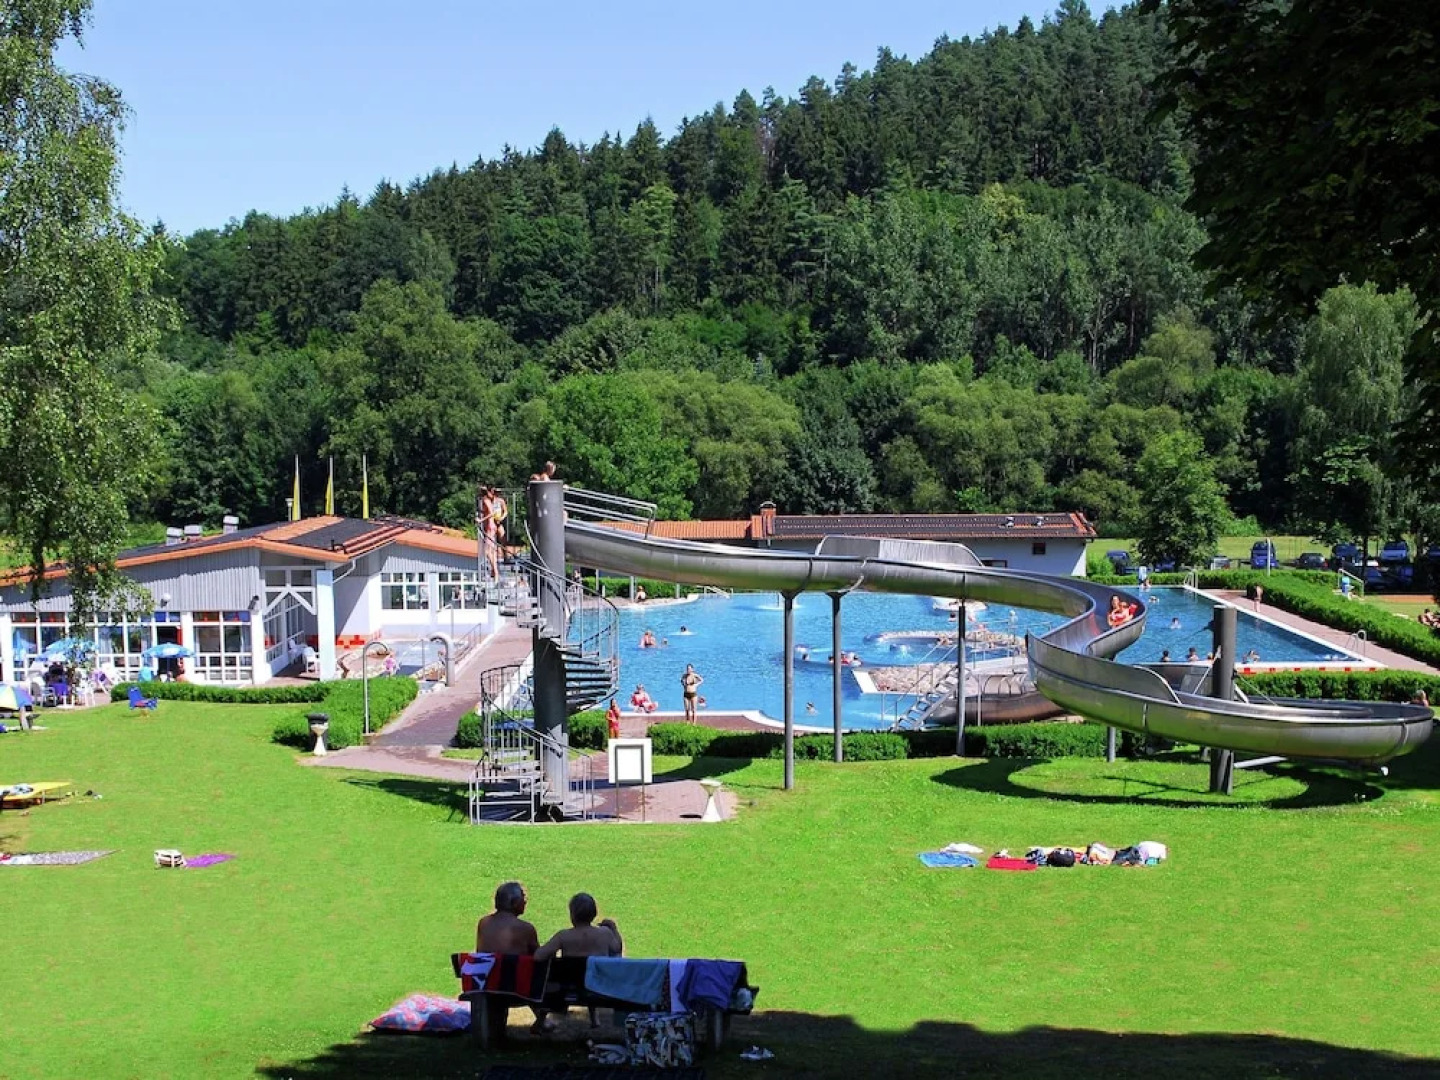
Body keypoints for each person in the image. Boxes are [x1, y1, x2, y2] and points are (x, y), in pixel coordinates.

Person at [475, 882, 552, 1034]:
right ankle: (542, 1020)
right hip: (517, 990)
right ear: (514, 903)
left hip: (488, 985)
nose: (525, 901)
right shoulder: (526, 928)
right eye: (523, 897)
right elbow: (538, 955)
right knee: (539, 971)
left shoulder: (483, 923)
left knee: (512, 971)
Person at [534, 892, 623, 963]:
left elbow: (539, 956)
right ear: (594, 913)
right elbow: (617, 949)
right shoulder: (605, 933)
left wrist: (553, 955)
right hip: (596, 983)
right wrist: (614, 929)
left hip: (570, 983)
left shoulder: (563, 936)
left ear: (572, 915)